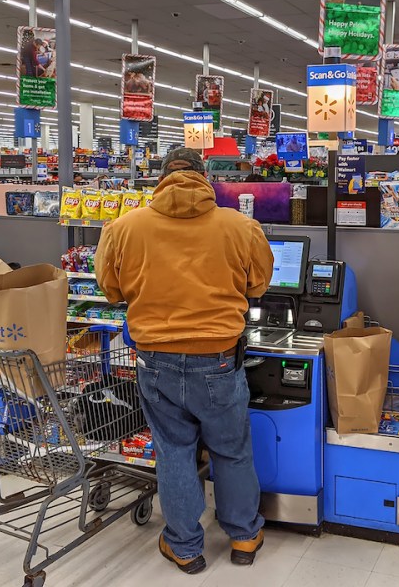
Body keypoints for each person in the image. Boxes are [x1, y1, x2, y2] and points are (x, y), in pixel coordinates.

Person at [95, 148, 273, 575]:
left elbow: (110, 290)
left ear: (160, 178)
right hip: (219, 361)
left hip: (155, 360)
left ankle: (185, 546)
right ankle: (244, 534)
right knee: (231, 449)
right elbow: (260, 284)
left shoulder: (123, 227)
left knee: (174, 451)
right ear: (203, 176)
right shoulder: (240, 226)